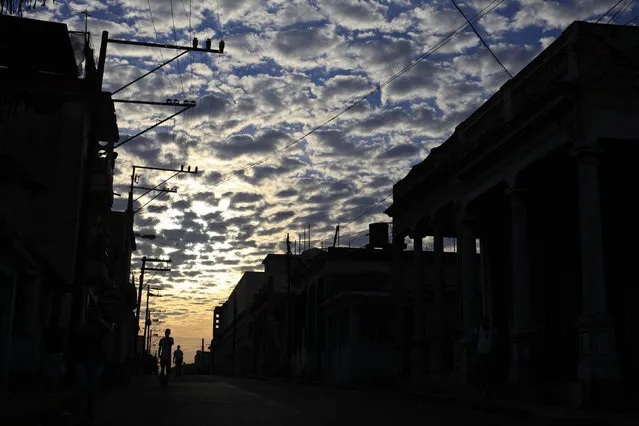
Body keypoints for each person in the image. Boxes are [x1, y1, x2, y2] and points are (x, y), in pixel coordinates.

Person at [474, 316, 498, 398]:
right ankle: (483, 389)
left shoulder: (493, 331)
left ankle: (489, 389)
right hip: (481, 353)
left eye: (486, 322)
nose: (485, 323)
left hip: (490, 353)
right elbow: (475, 341)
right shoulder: (478, 330)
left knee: (490, 373)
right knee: (482, 373)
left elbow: (495, 341)